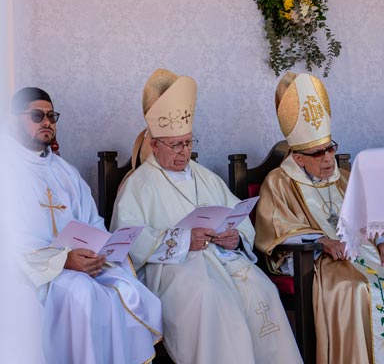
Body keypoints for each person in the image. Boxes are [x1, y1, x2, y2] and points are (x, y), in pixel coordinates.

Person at [111, 68, 303, 364]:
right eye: (175, 145)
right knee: (214, 301)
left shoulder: (205, 176)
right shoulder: (137, 185)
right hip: (173, 270)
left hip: (223, 259)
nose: (184, 152)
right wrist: (184, 240)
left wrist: (235, 238)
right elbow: (127, 242)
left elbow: (238, 217)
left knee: (263, 291)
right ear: (154, 144)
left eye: (188, 143)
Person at [254, 72, 384, 364]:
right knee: (354, 291)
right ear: (298, 157)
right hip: (324, 261)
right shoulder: (278, 181)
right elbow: (275, 230)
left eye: (331, 148)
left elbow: (376, 213)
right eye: (318, 153)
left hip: (369, 253)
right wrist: (322, 241)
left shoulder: (345, 176)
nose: (328, 159)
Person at [8, 87, 163, 364]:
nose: (47, 122)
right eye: (37, 116)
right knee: (81, 292)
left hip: (79, 266)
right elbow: (9, 241)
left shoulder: (66, 172)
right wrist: (63, 261)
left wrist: (99, 251)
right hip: (33, 273)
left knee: (126, 288)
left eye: (52, 116)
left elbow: (93, 222)